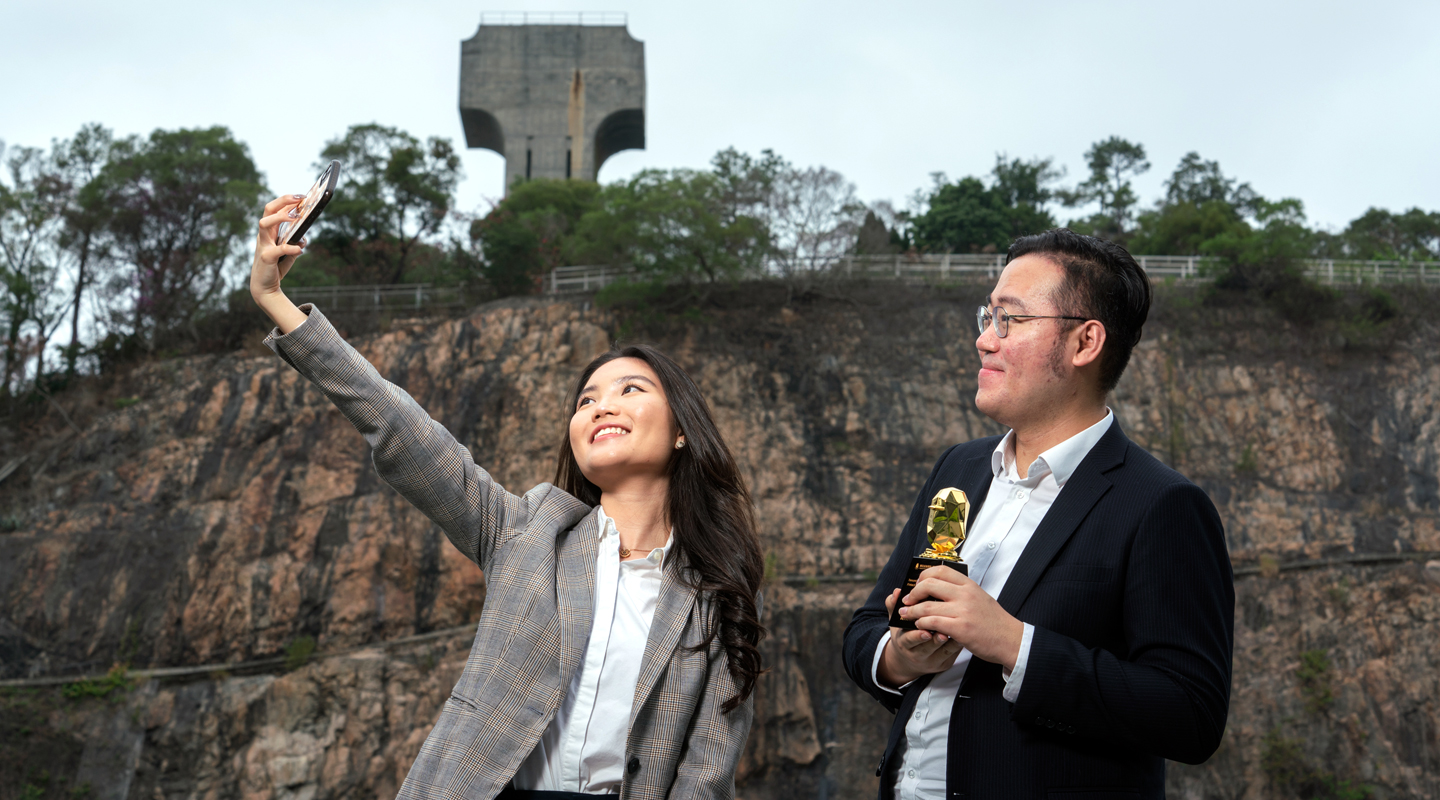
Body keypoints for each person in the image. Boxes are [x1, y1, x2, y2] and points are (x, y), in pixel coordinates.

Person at [249, 195, 763, 800]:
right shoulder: (527, 532)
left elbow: (706, 772)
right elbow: (401, 427)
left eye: (630, 388)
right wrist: (276, 302)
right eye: (586, 399)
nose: (601, 406)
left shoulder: (720, 591)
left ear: (681, 430)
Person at [842, 229, 1234, 799]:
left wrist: (1012, 642)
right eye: (987, 316)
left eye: (1011, 320)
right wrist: (900, 655)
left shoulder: (1161, 505)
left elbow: (1191, 714)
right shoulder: (959, 468)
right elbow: (863, 630)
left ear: (1085, 342)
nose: (984, 339)